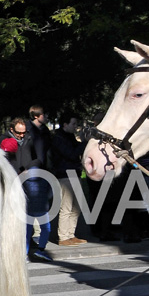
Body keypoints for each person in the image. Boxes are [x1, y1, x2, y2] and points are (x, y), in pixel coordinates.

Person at [50, 112, 88, 246]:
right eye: (73, 124)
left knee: (76, 207)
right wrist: (83, 143)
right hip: (64, 174)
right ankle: (63, 236)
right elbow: (71, 154)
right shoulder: (58, 138)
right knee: (66, 206)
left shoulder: (69, 137)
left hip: (73, 173)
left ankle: (71, 234)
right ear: (65, 124)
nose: (75, 127)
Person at [24, 105, 52, 261]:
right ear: (36, 116)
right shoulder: (28, 131)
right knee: (30, 219)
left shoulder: (44, 131)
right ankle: (27, 250)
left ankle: (37, 248)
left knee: (41, 218)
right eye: (44, 114)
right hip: (30, 172)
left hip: (43, 172)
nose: (46, 117)